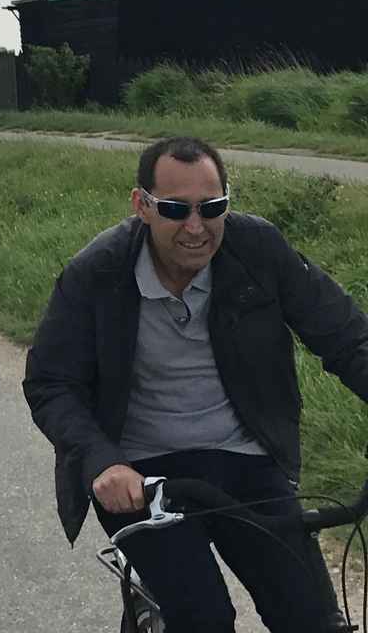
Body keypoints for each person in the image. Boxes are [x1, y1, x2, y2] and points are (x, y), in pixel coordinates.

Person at [23, 136, 368, 632]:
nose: (196, 227)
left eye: (212, 208)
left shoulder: (258, 250)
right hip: (144, 476)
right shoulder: (97, 273)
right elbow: (50, 382)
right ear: (142, 205)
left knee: (311, 617)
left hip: (246, 460)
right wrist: (103, 462)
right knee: (202, 618)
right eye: (175, 209)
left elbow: (347, 337)